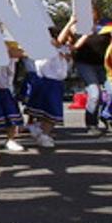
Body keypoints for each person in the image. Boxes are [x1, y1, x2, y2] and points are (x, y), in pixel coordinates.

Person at [22, 18, 76, 149]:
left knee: (47, 111)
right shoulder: (47, 46)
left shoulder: (61, 49)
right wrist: (70, 22)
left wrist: (68, 53)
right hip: (47, 82)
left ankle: (39, 130)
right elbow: (58, 42)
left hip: (54, 83)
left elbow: (67, 54)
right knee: (52, 112)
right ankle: (43, 135)